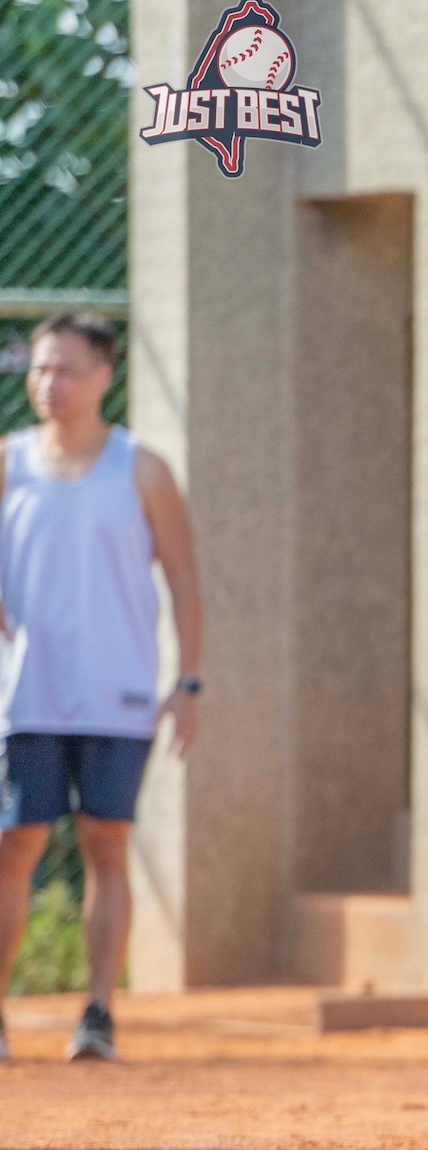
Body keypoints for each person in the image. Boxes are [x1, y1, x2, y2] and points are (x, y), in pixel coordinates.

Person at [0, 312, 202, 1064]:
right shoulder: (8, 461)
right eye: (39, 368)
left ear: (104, 377)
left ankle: (97, 1014)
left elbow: (184, 578)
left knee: (105, 841)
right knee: (16, 843)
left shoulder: (141, 469)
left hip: (118, 695)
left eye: (66, 370)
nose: (49, 384)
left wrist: (188, 682)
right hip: (28, 695)